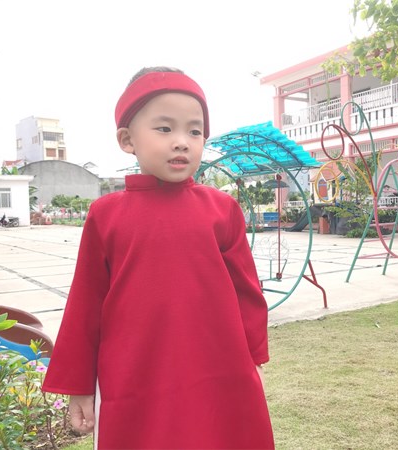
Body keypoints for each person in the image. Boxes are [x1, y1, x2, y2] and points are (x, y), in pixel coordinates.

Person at [42, 67, 275, 449]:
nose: (181, 142)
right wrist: (79, 386)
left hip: (219, 370)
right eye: (165, 129)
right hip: (135, 376)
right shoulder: (106, 215)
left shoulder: (223, 210)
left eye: (195, 131)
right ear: (127, 139)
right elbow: (85, 304)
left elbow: (247, 293)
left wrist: (254, 360)